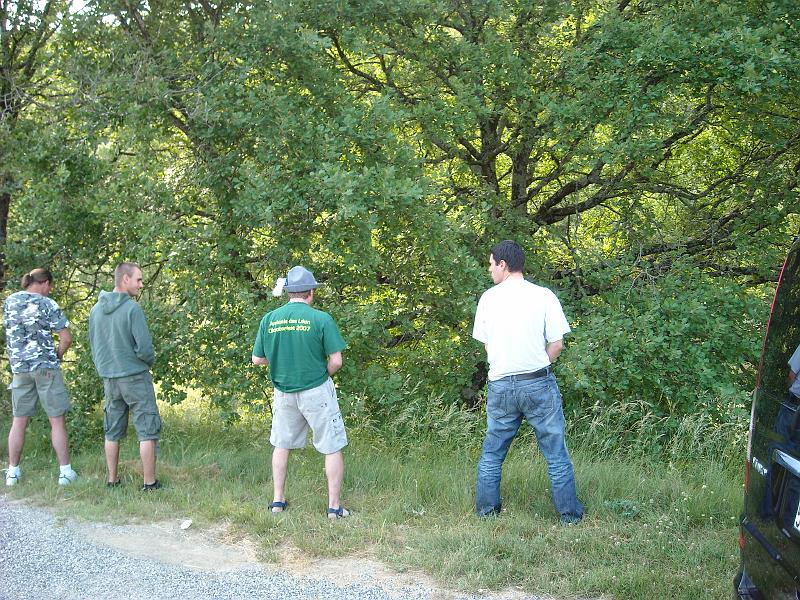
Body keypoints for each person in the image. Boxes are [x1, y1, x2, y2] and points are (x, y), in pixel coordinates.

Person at [472, 240, 584, 525]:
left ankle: (486, 513)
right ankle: (569, 516)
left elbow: (488, 347)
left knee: (493, 452)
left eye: (490, 263)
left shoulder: (488, 299)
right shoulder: (544, 296)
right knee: (556, 452)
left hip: (500, 384)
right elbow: (556, 344)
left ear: (503, 265)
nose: (489, 269)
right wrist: (540, 364)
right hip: (537, 382)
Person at [252, 266, 349, 518]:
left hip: (283, 391)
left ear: (288, 293)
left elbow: (257, 359)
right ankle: (333, 507)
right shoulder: (321, 319)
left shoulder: (269, 319)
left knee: (282, 444)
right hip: (316, 389)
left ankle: (277, 501)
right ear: (311, 292)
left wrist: (283, 359)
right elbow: (336, 361)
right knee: (331, 445)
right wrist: (322, 375)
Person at [88, 262, 162, 491]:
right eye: (138, 280)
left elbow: (94, 346)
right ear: (125, 279)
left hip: (109, 378)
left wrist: (105, 367)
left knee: (112, 430)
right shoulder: (132, 309)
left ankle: (112, 479)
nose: (141, 284)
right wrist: (144, 363)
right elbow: (146, 348)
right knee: (147, 429)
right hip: (135, 377)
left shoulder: (95, 310)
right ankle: (149, 483)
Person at [3, 269, 78, 486]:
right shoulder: (48, 304)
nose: (49, 290)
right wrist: (58, 356)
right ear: (44, 283)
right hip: (45, 367)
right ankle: (65, 473)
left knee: (19, 420)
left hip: (19, 369)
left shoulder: (10, 302)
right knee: (56, 419)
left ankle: (12, 473)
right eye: (49, 286)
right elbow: (66, 338)